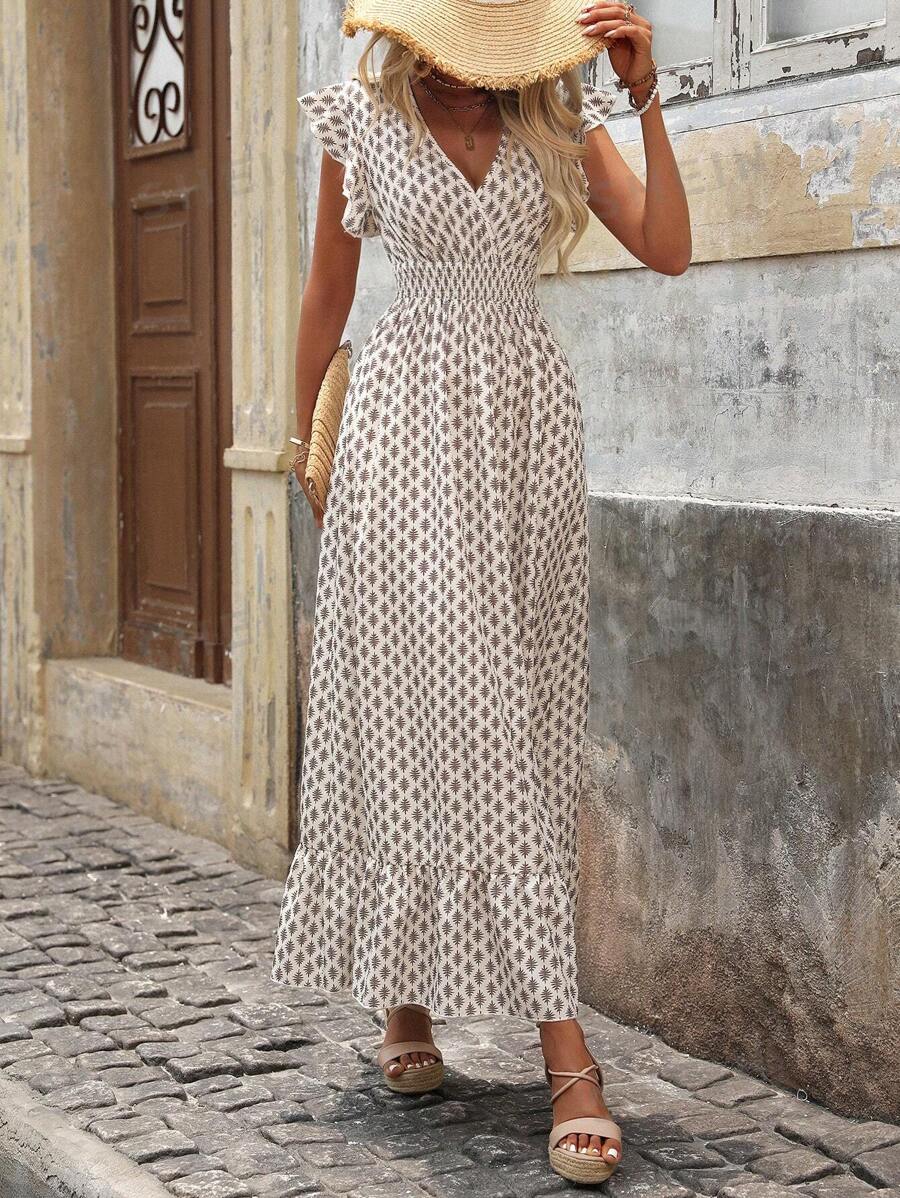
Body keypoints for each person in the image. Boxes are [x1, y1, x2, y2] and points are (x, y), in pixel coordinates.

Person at [272, 0, 691, 1184]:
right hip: (400, 435)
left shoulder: (557, 120)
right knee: (425, 717)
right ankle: (562, 1052)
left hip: (526, 437)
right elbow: (327, 297)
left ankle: (416, 1000)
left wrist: (645, 96)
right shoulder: (361, 120)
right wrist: (310, 452)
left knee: (525, 719)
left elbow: (668, 245)